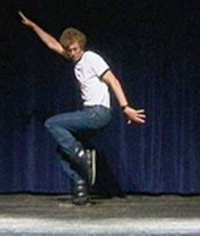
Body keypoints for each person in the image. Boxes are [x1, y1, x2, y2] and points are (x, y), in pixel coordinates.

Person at [18, 11, 146, 205]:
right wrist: (33, 26)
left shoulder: (91, 58)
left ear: (81, 46)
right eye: (69, 50)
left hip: (98, 113)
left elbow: (112, 80)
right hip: (90, 114)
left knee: (52, 124)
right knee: (62, 151)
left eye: (75, 49)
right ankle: (80, 192)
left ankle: (81, 155)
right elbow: (52, 44)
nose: (72, 53)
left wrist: (125, 107)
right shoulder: (75, 60)